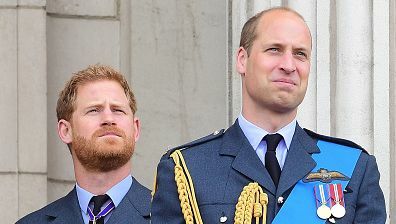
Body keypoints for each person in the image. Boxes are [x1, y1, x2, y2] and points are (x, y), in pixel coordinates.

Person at [151, 7, 386, 224]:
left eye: (300, 54)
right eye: (274, 49)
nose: (288, 65)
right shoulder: (187, 169)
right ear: (243, 59)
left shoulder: (355, 167)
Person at [17, 65, 150, 224]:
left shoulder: (174, 217)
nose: (108, 118)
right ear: (66, 130)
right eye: (94, 110)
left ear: (135, 129)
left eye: (118, 110)